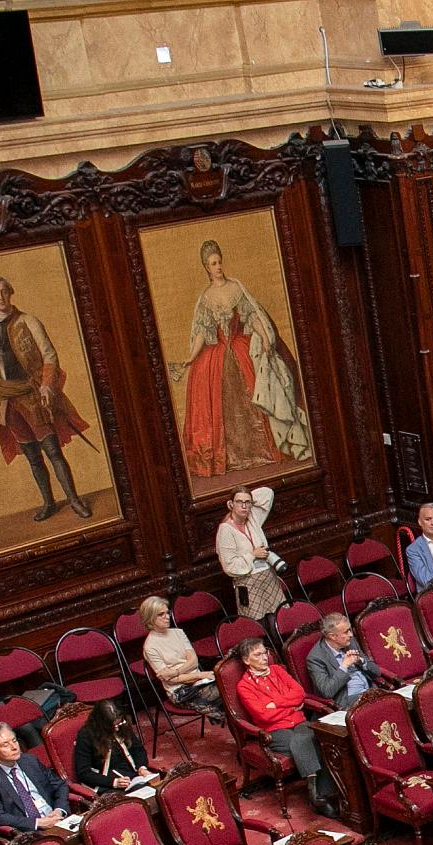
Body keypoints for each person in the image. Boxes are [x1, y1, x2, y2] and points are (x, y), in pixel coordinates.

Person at [0, 277, 96, 522]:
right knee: (32, 455)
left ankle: (74, 500)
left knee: (52, 450)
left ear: (10, 293)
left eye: (3, 292)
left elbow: (49, 354)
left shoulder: (29, 321)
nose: (0, 297)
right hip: (5, 403)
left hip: (32, 397)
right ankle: (49, 503)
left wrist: (46, 385)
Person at [178, 240, 311, 478]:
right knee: (221, 407)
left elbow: (252, 316)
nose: (218, 267)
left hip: (241, 349)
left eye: (219, 262)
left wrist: (265, 338)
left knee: (256, 395)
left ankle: (266, 451)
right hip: (216, 359)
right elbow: (201, 332)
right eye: (212, 264)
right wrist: (190, 357)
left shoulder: (236, 288)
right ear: (206, 268)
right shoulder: (206, 298)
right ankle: (227, 459)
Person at [226, 637, 330, 806]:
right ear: (246, 660)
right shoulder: (244, 686)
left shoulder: (277, 670)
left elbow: (299, 693)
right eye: (257, 655)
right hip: (274, 730)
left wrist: (276, 704)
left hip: (299, 722)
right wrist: (292, 707)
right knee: (309, 741)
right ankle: (320, 796)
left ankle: (315, 793)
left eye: (265, 653)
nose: (264, 658)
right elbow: (263, 716)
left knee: (307, 739)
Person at [0, 722, 72, 839]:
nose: (14, 747)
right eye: (5, 745)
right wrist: (38, 823)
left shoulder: (30, 761)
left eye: (14, 741)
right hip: (29, 833)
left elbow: (60, 786)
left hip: (57, 819)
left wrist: (59, 810)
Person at [214, 485, 286, 619]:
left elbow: (267, 493)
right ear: (230, 504)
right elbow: (229, 566)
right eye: (239, 502)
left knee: (279, 617)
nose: (244, 506)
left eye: (247, 502)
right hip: (248, 582)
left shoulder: (253, 518)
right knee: (259, 623)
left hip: (267, 576)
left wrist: (246, 496)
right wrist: (253, 555)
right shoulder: (225, 530)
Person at [136, 598, 217, 712]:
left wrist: (174, 672)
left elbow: (194, 661)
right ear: (150, 618)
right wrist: (200, 675)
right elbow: (171, 680)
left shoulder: (178, 633)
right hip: (180, 691)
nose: (167, 616)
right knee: (224, 695)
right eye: (161, 614)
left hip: (200, 681)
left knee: (227, 687)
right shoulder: (150, 647)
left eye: (167, 612)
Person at [71, 701, 158, 797]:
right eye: (113, 726)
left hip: (131, 776)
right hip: (105, 782)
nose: (117, 729)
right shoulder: (86, 735)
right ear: (102, 724)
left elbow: (138, 749)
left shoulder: (122, 725)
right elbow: (84, 773)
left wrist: (142, 767)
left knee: (156, 791)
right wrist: (114, 782)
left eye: (118, 723)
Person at [303, 611, 372, 706]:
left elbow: (376, 671)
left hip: (370, 692)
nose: (351, 635)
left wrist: (361, 661)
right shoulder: (316, 658)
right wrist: (344, 666)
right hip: (348, 702)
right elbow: (327, 691)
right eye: (346, 632)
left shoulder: (349, 641)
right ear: (332, 636)